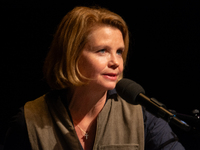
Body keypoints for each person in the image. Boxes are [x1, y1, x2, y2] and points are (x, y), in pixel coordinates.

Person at [4, 6, 185, 150]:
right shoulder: (29, 120)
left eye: (119, 52)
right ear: (72, 55)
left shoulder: (142, 117)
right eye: (102, 51)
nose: (116, 62)